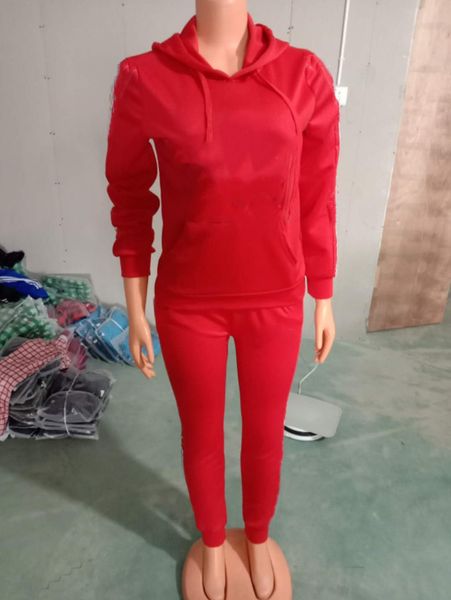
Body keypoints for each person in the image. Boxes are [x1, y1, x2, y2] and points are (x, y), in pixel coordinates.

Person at [105, 5, 339, 599]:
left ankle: (257, 537)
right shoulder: (144, 77)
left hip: (276, 298)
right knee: (201, 435)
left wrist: (323, 292)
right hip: (189, 304)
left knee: (264, 436)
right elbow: (130, 197)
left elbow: (317, 192)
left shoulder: (303, 74)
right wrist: (136, 306)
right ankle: (212, 544)